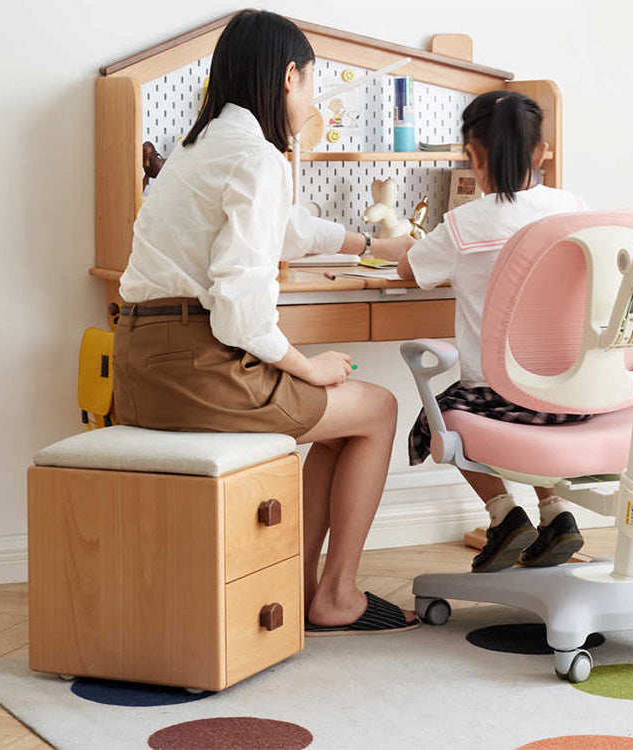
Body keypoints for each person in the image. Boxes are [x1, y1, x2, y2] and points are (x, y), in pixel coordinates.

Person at [113, 9, 417, 633]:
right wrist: (310, 366)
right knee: (380, 408)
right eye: (312, 82)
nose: (310, 100)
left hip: (143, 364)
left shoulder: (199, 148)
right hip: (199, 370)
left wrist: (368, 242)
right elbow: (241, 310)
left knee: (343, 423)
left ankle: (299, 583)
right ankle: (337, 596)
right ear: (288, 78)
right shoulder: (257, 157)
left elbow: (289, 231)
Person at [380, 90, 589, 573]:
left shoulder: (463, 224)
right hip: (571, 399)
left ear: (472, 157)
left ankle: (503, 514)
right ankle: (556, 513)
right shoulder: (574, 209)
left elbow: (410, 271)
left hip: (501, 402)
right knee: (532, 394)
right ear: (541, 154)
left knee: (445, 413)